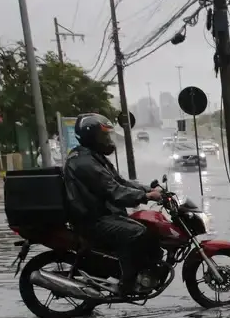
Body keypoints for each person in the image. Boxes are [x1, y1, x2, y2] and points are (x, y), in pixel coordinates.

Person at [63, 113, 163, 297]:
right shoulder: (84, 162)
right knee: (137, 232)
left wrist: (149, 189)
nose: (107, 140)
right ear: (90, 136)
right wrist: (145, 196)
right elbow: (114, 191)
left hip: (101, 215)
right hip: (92, 220)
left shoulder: (93, 157)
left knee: (147, 228)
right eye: (103, 136)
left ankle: (142, 271)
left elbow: (120, 182)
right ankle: (128, 283)